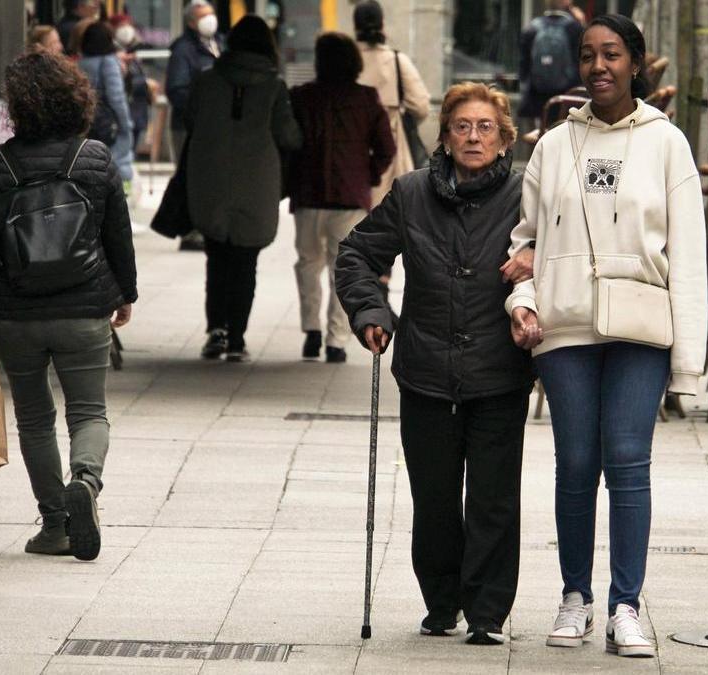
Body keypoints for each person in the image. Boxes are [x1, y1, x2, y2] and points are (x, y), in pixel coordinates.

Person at [503, 14, 708, 658]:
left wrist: (690, 362)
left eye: (612, 54)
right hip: (564, 324)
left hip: (640, 325)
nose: (598, 66)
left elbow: (691, 256)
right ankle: (574, 597)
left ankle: (626, 604)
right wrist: (523, 300)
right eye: (589, 55)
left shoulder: (667, 142)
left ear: (636, 63)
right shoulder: (552, 146)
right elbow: (525, 245)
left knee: (627, 461)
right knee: (575, 465)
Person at [336, 83, 535, 646]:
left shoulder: (527, 197)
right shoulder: (412, 192)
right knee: (435, 497)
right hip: (425, 371)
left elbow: (560, 249)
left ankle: (489, 611)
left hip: (498, 371)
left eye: (486, 127)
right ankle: (442, 603)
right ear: (444, 136)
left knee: (495, 498)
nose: (473, 137)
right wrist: (372, 311)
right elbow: (356, 253)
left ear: (504, 139)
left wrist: (534, 262)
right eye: (462, 127)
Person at [0, 51, 137, 562]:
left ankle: (57, 525)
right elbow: (118, 234)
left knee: (34, 418)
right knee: (89, 412)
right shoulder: (95, 157)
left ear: (18, 107)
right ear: (77, 97)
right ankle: (86, 483)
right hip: (83, 306)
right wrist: (125, 294)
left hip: (15, 313)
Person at [186, 15, 301, 363]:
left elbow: (190, 120)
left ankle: (215, 331)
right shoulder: (275, 87)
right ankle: (237, 338)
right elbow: (290, 137)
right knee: (245, 262)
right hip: (257, 181)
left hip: (210, 178)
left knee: (216, 258)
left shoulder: (207, 81)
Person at [289, 33, 395, 363]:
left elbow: (289, 143)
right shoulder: (367, 98)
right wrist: (368, 175)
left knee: (308, 264)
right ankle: (336, 340)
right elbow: (387, 148)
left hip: (308, 193)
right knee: (344, 268)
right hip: (350, 196)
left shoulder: (302, 96)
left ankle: (311, 331)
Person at [352, 0, 430, 208]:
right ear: (382, 24)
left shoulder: (347, 61)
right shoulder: (396, 60)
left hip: (351, 144)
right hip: (393, 144)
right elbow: (421, 105)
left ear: (355, 26)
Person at [167, 0, 222, 251]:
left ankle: (205, 227)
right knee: (190, 177)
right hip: (188, 126)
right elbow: (176, 90)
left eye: (211, 14)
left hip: (214, 125)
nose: (209, 20)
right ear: (191, 21)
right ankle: (189, 231)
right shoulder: (183, 50)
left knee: (210, 177)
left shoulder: (219, 43)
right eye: (203, 16)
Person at [78, 21, 135, 185]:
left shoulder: (81, 62)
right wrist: (126, 123)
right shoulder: (109, 62)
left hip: (90, 121)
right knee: (115, 164)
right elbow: (116, 96)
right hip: (109, 123)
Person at [517, 0, 584, 124]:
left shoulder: (531, 28)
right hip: (568, 98)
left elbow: (523, 68)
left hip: (538, 98)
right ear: (567, 3)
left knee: (541, 136)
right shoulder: (575, 28)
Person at [110, 14, 154, 149]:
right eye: (121, 26)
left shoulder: (135, 49)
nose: (126, 30)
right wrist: (145, 83)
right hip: (122, 113)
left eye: (128, 26)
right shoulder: (110, 53)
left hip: (137, 110)